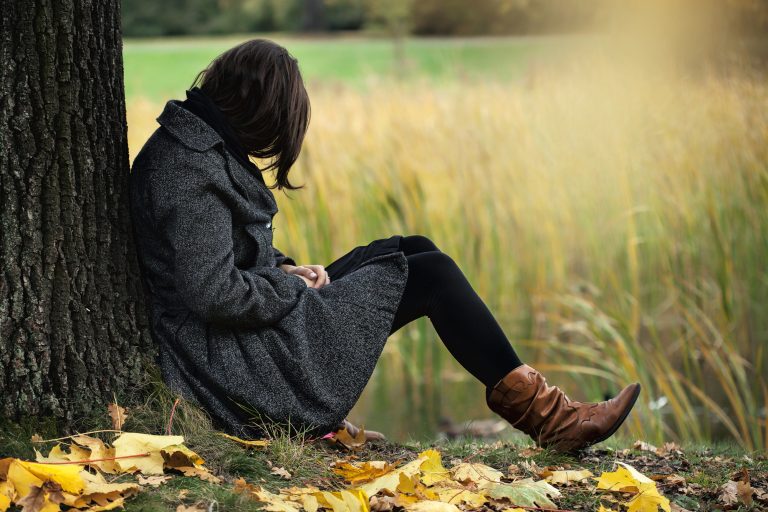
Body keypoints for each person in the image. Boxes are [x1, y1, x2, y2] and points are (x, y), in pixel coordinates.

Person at [128, 38, 641, 453]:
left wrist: (284, 269)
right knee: (432, 276)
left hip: (241, 345)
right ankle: (555, 421)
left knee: (411, 249)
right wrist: (292, 290)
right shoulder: (190, 169)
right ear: (258, 110)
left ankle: (549, 414)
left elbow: (221, 257)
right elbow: (214, 293)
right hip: (231, 368)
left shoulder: (200, 146)